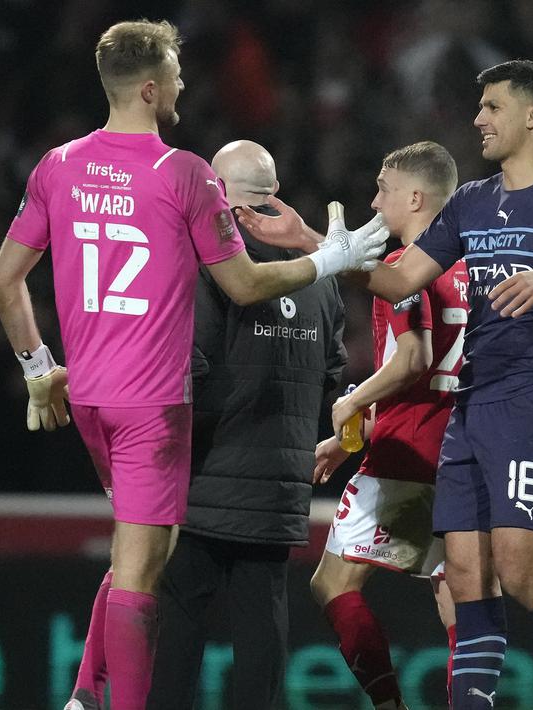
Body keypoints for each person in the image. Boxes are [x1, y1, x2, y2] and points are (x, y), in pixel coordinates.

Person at [0, 20, 387, 710]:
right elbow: (244, 285)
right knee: (142, 570)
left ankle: (85, 692)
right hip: (150, 402)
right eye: (174, 74)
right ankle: (104, 701)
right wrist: (330, 258)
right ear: (149, 87)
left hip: (85, 394)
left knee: (135, 551)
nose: (182, 84)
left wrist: (36, 367)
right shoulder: (184, 174)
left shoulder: (57, 164)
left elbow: (3, 280)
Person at [250, 58, 533, 710]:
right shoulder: (471, 202)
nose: (477, 119)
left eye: (491, 107)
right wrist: (310, 243)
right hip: (468, 408)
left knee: (524, 578)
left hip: (527, 398)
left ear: (532, 114)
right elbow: (396, 278)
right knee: (467, 581)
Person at [144, 140, 348, 708]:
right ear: (272, 194)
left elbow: (192, 372)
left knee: (180, 626)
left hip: (207, 478)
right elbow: (333, 374)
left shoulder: (210, 264)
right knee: (263, 630)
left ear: (217, 194)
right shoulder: (321, 274)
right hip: (282, 484)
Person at [302, 141, 468, 710]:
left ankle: (389, 706)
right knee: (457, 601)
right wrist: (346, 439)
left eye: (384, 190)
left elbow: (412, 362)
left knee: (332, 585)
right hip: (466, 458)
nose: (375, 201)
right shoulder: (477, 272)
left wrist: (351, 401)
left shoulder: (402, 269)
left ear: (415, 198)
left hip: (406, 460)